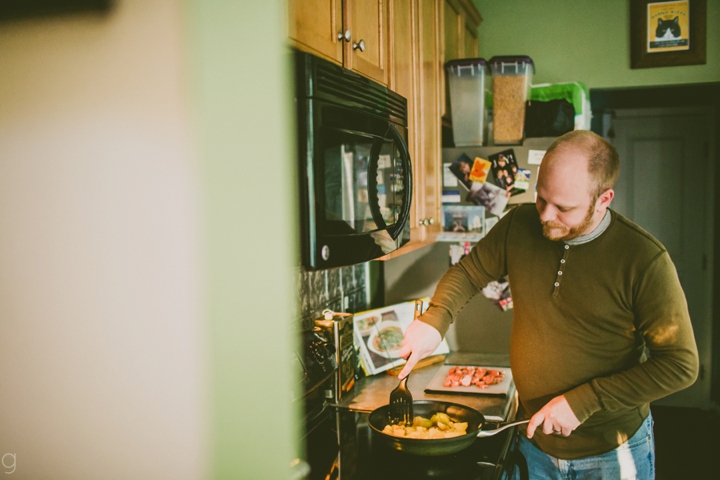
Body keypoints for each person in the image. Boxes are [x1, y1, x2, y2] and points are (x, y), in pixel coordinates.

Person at [398, 130, 699, 479]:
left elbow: (680, 365)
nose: (544, 215)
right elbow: (468, 271)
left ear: (604, 199)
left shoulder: (644, 260)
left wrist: (583, 401)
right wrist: (434, 320)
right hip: (532, 440)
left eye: (563, 207)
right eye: (541, 198)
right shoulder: (518, 224)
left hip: (611, 452)